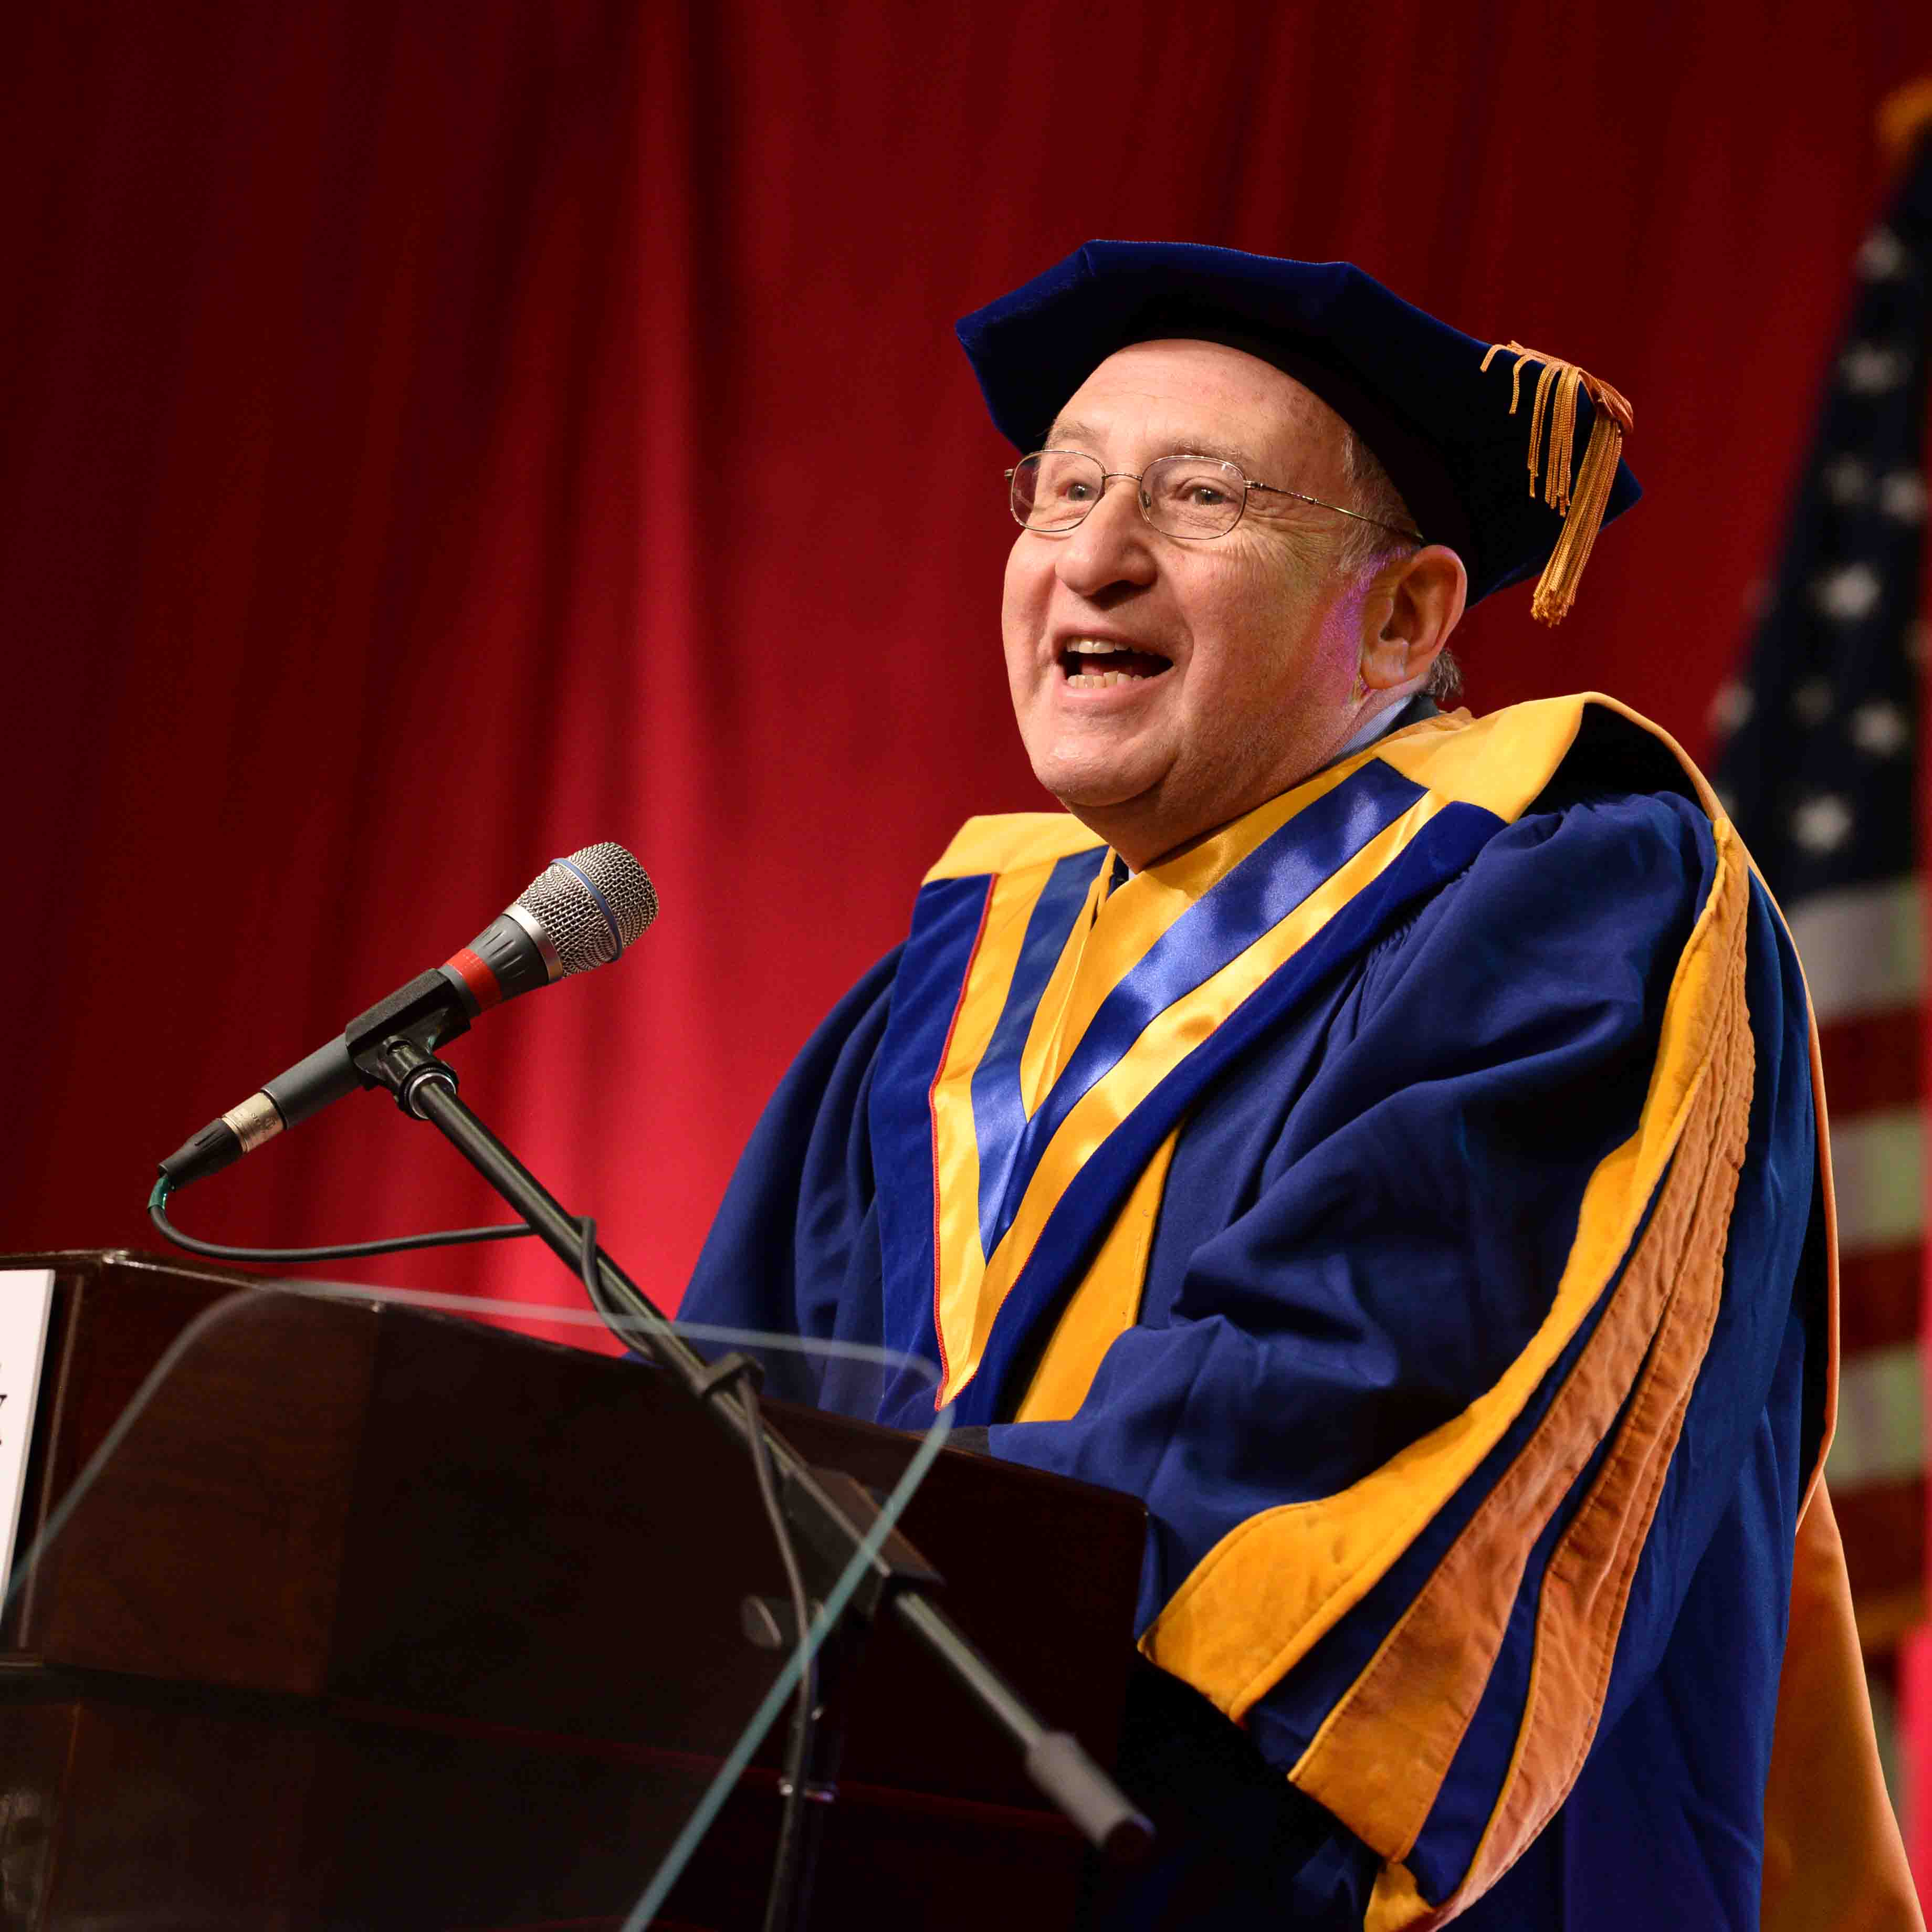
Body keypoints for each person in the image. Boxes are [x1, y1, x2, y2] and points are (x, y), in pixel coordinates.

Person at [680, 241, 1917, 1928]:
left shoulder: (1570, 904)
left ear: (1404, 619)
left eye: (1199, 498)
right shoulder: (926, 1011)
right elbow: (716, 1452)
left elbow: (1338, 1410)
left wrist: (869, 1640)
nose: (1094, 558)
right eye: (1063, 491)